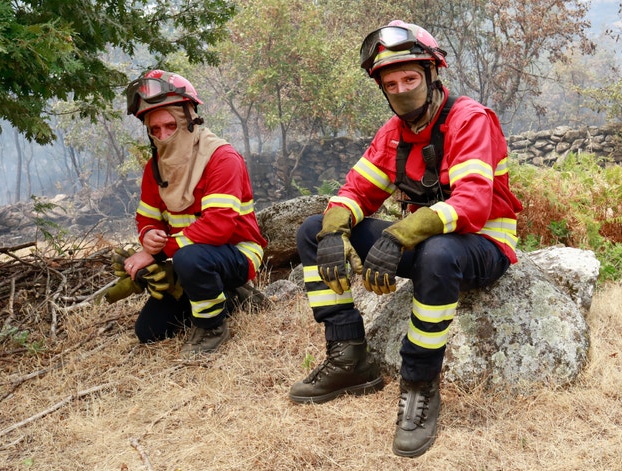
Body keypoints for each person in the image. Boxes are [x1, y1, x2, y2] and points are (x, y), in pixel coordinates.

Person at [288, 21, 523, 458]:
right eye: (391, 84)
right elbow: (356, 191)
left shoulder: (470, 119)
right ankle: (349, 358)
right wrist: (335, 228)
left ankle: (419, 384)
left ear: (432, 74)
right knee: (312, 231)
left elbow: (472, 205)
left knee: (437, 252)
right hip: (425, 244)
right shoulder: (392, 134)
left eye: (410, 78)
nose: (401, 90)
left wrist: (400, 235)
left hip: (482, 246)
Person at [105, 69, 267, 360]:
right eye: (155, 129)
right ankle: (231, 298)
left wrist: (159, 252)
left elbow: (218, 227)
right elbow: (147, 217)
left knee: (189, 259)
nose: (163, 136)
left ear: (190, 119)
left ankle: (212, 328)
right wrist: (148, 237)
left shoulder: (222, 158)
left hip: (237, 252)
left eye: (170, 125)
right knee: (149, 331)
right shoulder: (155, 168)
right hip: (188, 257)